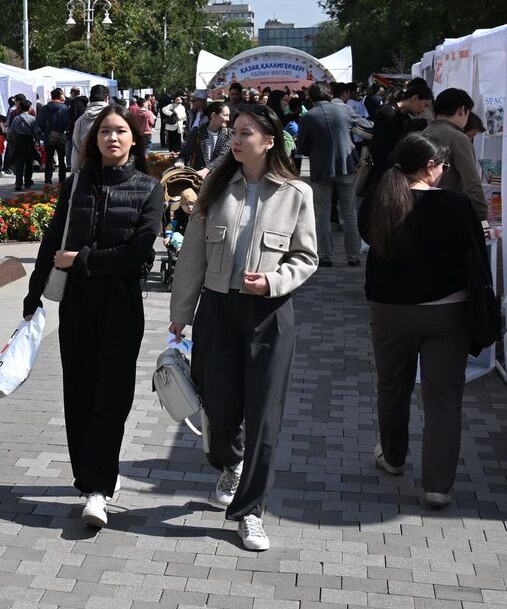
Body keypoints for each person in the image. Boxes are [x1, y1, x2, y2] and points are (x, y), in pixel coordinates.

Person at [168, 104, 318, 553]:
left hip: (269, 315)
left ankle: (250, 511)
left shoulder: (296, 194)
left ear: (269, 142)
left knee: (264, 415)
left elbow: (306, 257)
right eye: (234, 132)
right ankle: (228, 464)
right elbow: (192, 255)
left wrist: (273, 281)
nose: (236, 140)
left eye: (246, 133)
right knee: (218, 406)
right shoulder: (214, 187)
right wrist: (181, 311)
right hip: (216, 310)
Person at [22, 106, 161, 529]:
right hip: (78, 305)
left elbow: (140, 255)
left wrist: (82, 260)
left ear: (135, 139)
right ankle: (91, 476)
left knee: (111, 396)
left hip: (121, 304)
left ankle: (98, 489)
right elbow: (52, 239)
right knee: (78, 394)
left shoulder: (150, 189)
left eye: (120, 131)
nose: (112, 138)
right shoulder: (77, 183)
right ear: (93, 138)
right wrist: (34, 293)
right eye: (105, 132)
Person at [362, 132, 490, 510]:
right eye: (443, 166)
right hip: (448, 312)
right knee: (444, 398)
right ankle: (437, 485)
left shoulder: (379, 202)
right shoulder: (456, 206)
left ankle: (394, 456)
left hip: (389, 311)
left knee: (392, 386)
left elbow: (364, 238)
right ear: (431, 167)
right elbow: (475, 257)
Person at [298, 85, 363, 268]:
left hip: (321, 169)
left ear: (310, 98)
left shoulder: (308, 116)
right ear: (331, 95)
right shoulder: (344, 109)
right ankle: (353, 255)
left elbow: (302, 148)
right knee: (349, 212)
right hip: (346, 166)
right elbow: (366, 125)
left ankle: (326, 256)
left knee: (323, 213)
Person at [361, 79, 433, 204]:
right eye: (425, 105)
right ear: (414, 98)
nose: (424, 110)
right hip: (384, 176)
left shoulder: (402, 115)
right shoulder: (389, 113)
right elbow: (381, 150)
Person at [424, 88, 489, 223]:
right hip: (448, 211)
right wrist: (481, 216)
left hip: (421, 206)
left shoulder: (424, 132)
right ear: (462, 110)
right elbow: (472, 182)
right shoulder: (457, 138)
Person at [38, 89, 73, 185]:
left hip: (49, 135)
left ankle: (48, 179)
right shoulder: (64, 107)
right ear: (59, 95)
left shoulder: (45, 108)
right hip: (60, 135)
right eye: (62, 94)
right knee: (62, 159)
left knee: (49, 159)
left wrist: (46, 130)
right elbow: (66, 121)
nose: (64, 96)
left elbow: (40, 122)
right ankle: (62, 179)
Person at [185, 101, 232, 173]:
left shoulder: (229, 134)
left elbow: (222, 156)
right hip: (198, 176)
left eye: (228, 115)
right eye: (225, 115)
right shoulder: (197, 131)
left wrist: (207, 170)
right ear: (213, 116)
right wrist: (180, 162)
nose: (228, 119)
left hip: (220, 176)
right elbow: (185, 153)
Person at [7, 96, 39, 190]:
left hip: (18, 142)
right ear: (29, 108)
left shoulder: (16, 119)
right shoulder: (33, 119)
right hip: (29, 141)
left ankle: (18, 183)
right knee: (29, 163)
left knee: (19, 163)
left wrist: (11, 143)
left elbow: (11, 132)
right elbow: (37, 132)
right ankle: (28, 181)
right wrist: (37, 142)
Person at [125, 96, 155, 170]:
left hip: (139, 133)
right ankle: (147, 163)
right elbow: (152, 122)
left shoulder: (135, 113)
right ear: (144, 103)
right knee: (148, 147)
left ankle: (140, 163)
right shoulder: (148, 112)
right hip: (147, 132)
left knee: (141, 149)